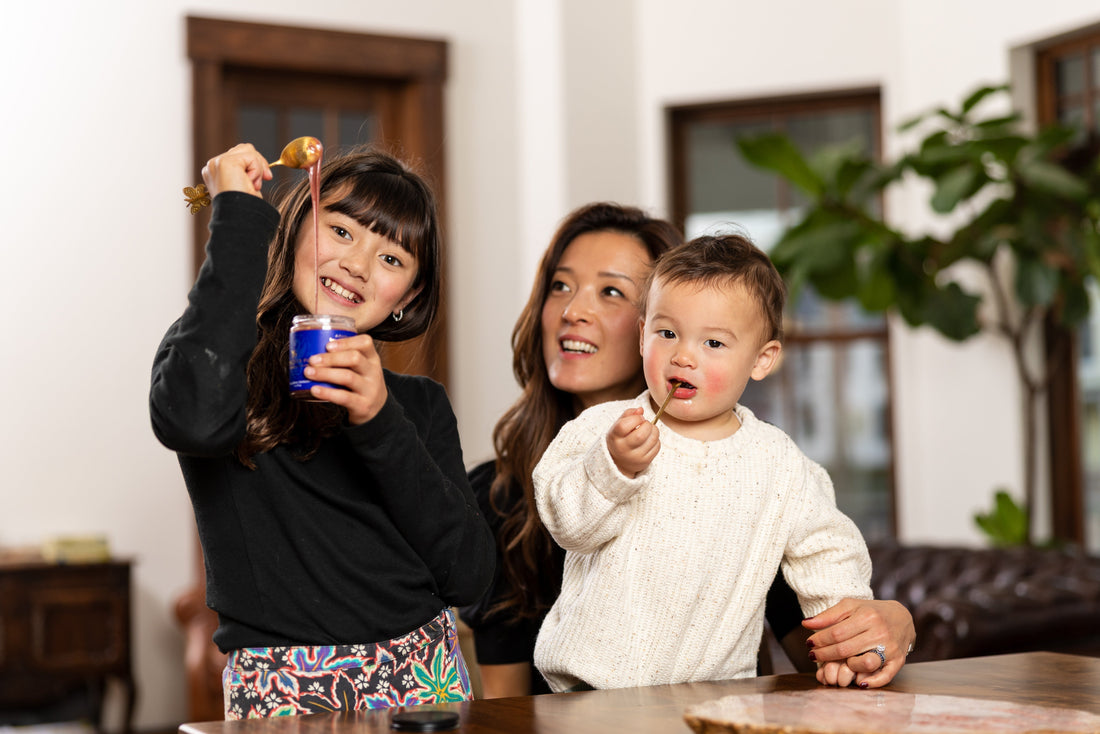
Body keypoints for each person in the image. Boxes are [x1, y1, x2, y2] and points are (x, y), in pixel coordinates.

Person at [458, 204, 914, 697]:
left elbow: (824, 579)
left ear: (760, 357)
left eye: (611, 291)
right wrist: (612, 468)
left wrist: (872, 631)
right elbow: (505, 705)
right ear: (646, 331)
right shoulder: (505, 488)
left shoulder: (768, 467)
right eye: (560, 286)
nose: (574, 311)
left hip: (718, 705)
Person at [150, 143, 494, 718]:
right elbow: (191, 420)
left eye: (392, 259)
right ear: (294, 231)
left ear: (408, 296)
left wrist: (380, 420)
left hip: (424, 682)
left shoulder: (419, 405)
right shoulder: (218, 364)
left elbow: (469, 576)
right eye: (340, 231)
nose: (357, 264)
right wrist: (237, 218)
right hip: (282, 692)